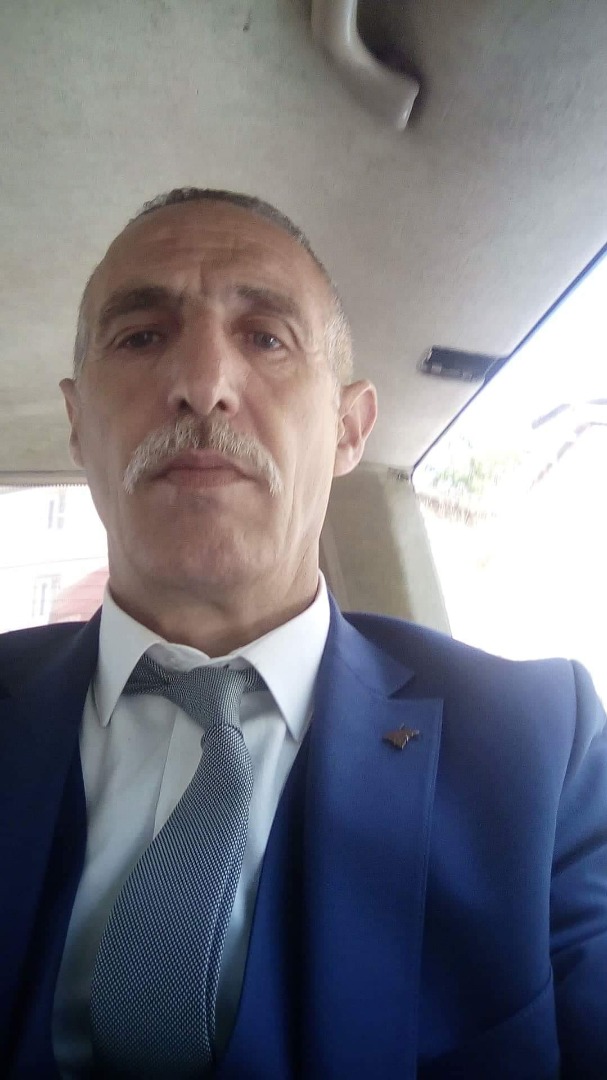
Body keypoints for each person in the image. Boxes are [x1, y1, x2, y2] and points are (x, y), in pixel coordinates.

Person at [0, 188, 605, 1080]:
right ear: (78, 424)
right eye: (140, 336)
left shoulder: (540, 746)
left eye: (266, 338)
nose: (202, 384)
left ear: (348, 430)